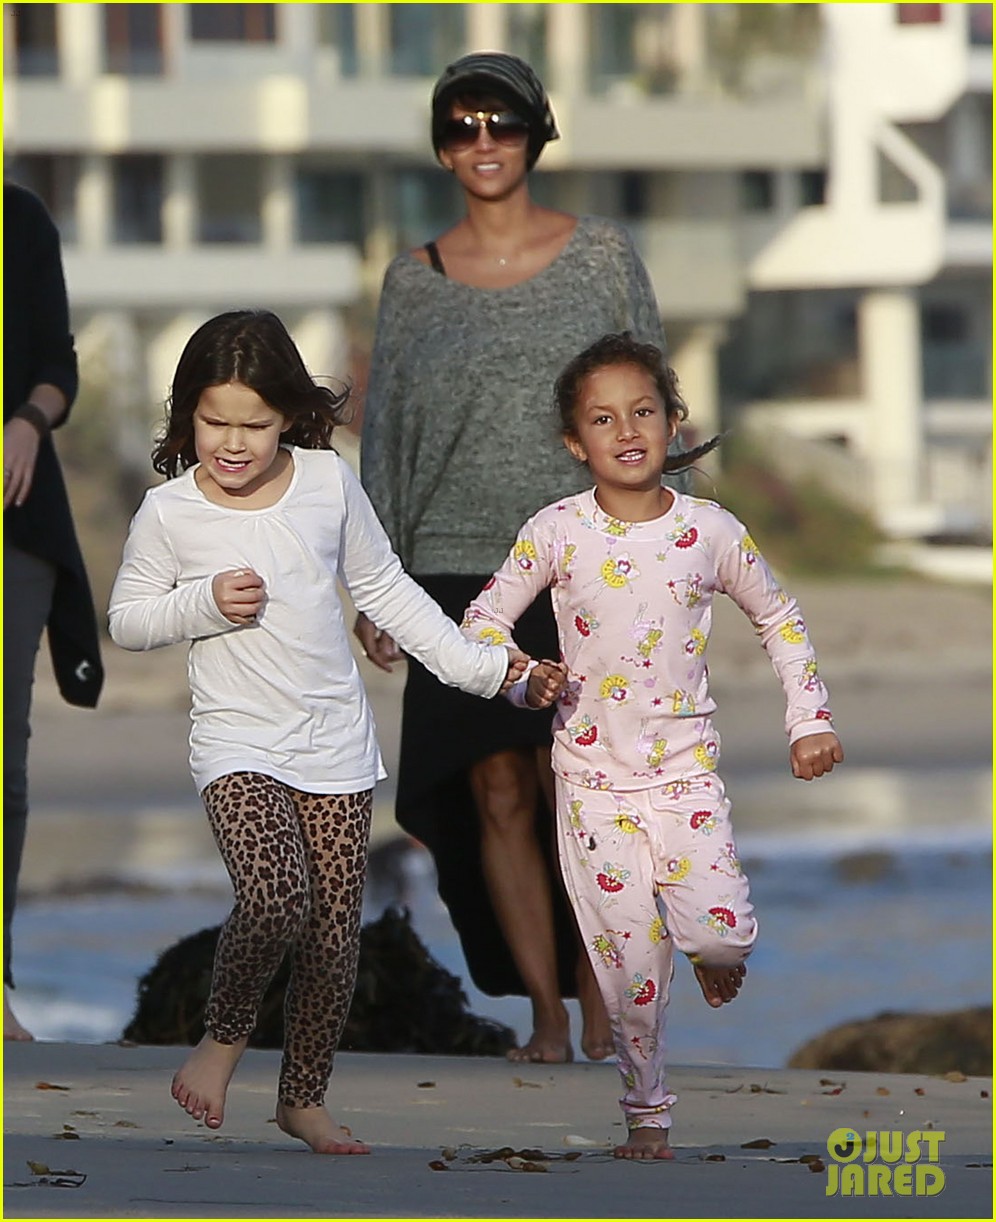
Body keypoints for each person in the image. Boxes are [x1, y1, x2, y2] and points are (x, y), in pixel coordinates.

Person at [107, 310, 527, 1154]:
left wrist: (483, 668)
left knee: (335, 935)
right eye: (214, 422)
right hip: (235, 741)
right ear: (187, 415)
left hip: (333, 740)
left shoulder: (329, 484)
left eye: (253, 425)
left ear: (290, 416)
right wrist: (199, 603)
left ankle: (302, 1098)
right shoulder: (169, 512)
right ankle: (222, 1042)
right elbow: (128, 620)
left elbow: (388, 589)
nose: (231, 444)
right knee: (274, 897)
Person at [357, 51, 684, 1065]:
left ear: (537, 132)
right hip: (451, 563)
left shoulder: (600, 254)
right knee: (493, 784)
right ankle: (546, 1011)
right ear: (442, 146)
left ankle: (602, 996)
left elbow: (651, 395)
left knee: (580, 783)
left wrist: (674, 536)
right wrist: (377, 582)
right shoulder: (412, 280)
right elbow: (387, 433)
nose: (482, 143)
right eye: (460, 127)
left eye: (500, 123)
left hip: (589, 551)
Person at [461, 332, 844, 1159]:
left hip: (685, 778)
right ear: (576, 443)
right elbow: (481, 625)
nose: (626, 430)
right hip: (592, 785)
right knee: (629, 973)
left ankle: (712, 955)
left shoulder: (709, 531)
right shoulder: (557, 530)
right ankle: (647, 1113)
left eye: (643, 412)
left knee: (720, 934)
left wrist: (809, 718)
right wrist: (526, 677)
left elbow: (779, 618)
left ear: (673, 422)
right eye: (603, 419)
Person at [4, 182, 104, 1041]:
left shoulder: (20, 218)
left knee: (4, 769)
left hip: (15, 522)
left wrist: (30, 421)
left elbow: (57, 365)